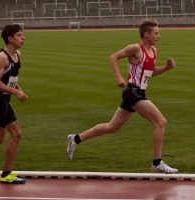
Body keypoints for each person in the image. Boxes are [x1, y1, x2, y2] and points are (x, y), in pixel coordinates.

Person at [67, 18, 178, 174]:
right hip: (132, 92)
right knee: (161, 122)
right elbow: (113, 57)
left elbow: (150, 73)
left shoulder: (153, 52)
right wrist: (118, 77)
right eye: (156, 33)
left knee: (112, 127)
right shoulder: (135, 48)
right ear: (146, 34)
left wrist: (166, 68)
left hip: (139, 92)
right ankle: (157, 163)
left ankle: (75, 139)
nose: (158, 36)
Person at [0, 24, 27, 184]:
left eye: (22, 35)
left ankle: (6, 174)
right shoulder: (2, 58)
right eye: (19, 35)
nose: (23, 38)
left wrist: (19, 89)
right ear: (10, 38)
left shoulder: (17, 54)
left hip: (5, 97)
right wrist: (15, 92)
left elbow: (10, 78)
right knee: (16, 133)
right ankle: (6, 174)